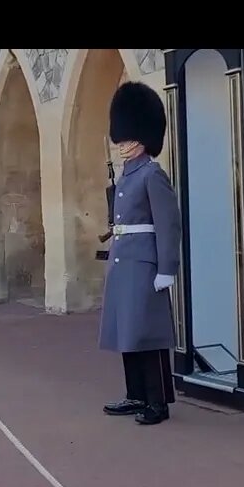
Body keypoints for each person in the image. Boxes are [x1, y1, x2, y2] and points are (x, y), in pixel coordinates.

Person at [98, 81, 182, 426]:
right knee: (128, 332)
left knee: (149, 334)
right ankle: (136, 395)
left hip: (145, 263)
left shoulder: (152, 174)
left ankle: (158, 402)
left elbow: (168, 224)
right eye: (121, 139)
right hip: (124, 260)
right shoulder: (127, 175)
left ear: (143, 138)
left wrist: (167, 268)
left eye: (129, 139)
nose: (122, 145)